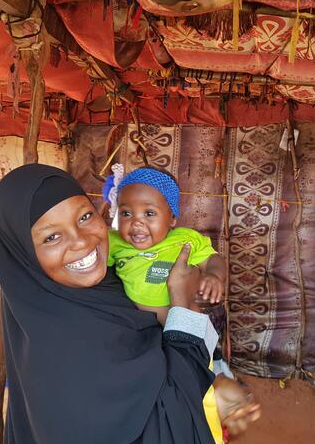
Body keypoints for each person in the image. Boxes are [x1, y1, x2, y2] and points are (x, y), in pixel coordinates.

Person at [0, 164, 259, 444]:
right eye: (51, 236)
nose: (82, 241)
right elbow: (164, 426)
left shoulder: (104, 284)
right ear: (23, 253)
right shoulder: (60, 347)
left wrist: (209, 383)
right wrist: (182, 303)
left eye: (84, 216)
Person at [105, 167, 227, 443]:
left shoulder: (185, 239)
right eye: (126, 213)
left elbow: (214, 259)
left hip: (183, 331)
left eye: (149, 214)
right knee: (154, 392)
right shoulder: (112, 244)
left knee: (196, 388)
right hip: (141, 338)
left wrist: (214, 276)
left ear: (172, 217)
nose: (136, 224)